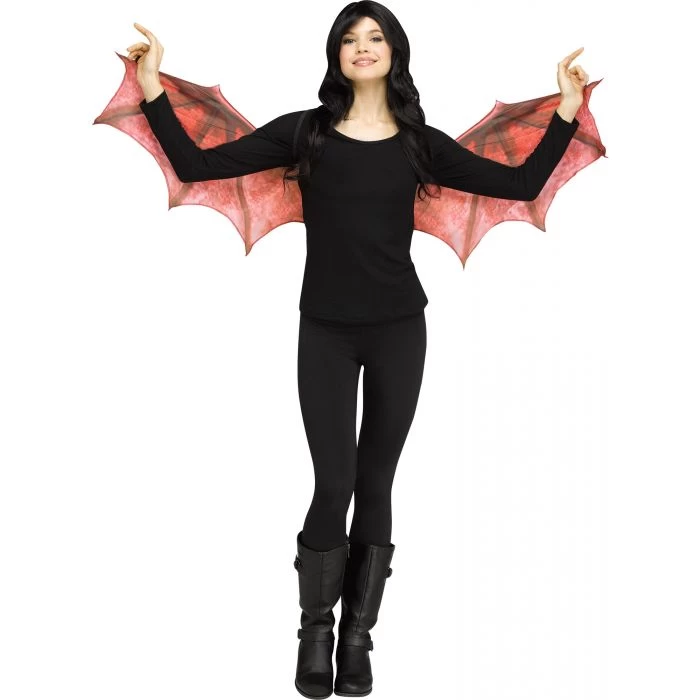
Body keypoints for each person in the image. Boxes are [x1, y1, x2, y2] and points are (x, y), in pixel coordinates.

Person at [126, 2, 587, 696]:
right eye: (350, 38)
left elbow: (520, 184)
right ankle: (315, 632)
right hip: (326, 332)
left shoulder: (420, 144)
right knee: (333, 482)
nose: (362, 47)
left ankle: (357, 641)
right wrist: (153, 88)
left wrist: (567, 112)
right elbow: (194, 163)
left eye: (375, 37)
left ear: (395, 52)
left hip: (400, 329)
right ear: (335, 55)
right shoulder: (305, 133)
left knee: (375, 483)